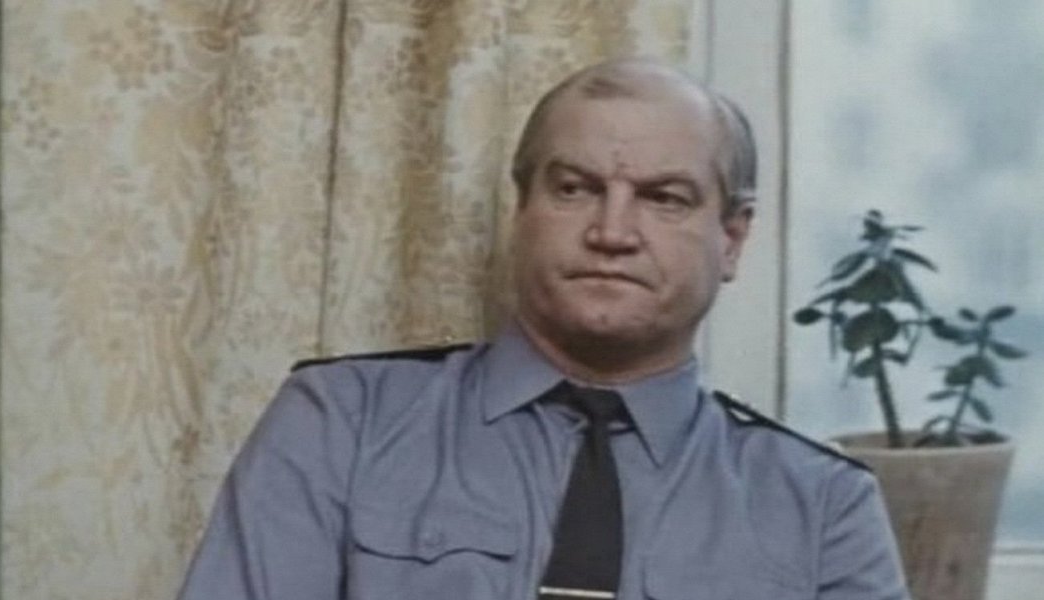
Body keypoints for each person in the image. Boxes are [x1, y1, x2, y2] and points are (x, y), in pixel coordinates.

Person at [177, 58, 909, 600]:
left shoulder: (822, 506)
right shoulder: (343, 422)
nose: (612, 232)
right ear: (522, 210)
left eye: (663, 198)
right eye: (574, 188)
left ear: (733, 239)